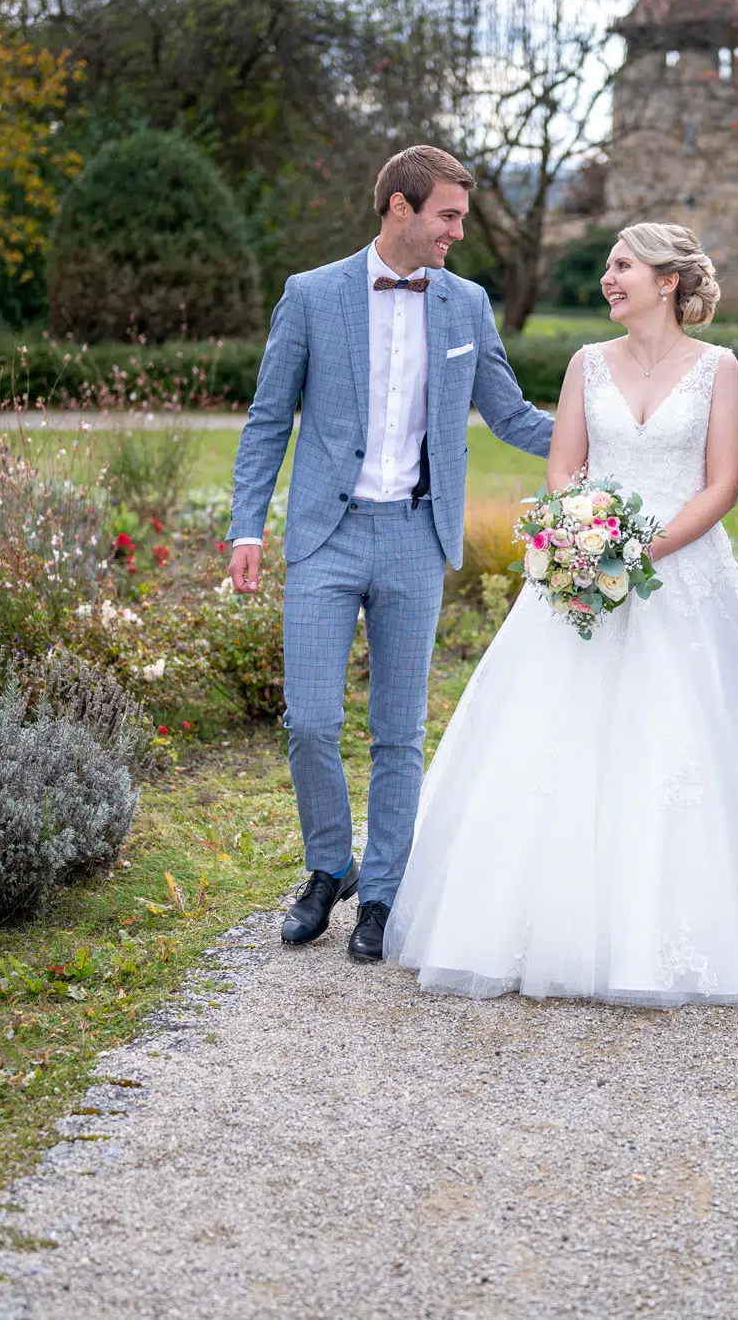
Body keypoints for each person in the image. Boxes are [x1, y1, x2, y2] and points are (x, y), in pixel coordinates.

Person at [382, 224, 738, 1006]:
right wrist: (585, 542)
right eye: (610, 267)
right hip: (587, 568)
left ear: (668, 280)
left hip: (683, 572)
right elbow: (563, 467)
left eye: (623, 267)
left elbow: (722, 484)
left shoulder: (719, 369)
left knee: (686, 742)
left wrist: (646, 550)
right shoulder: (587, 365)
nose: (608, 280)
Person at [225, 145, 556, 964]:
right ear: (399, 209)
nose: (458, 231)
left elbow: (511, 415)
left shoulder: (467, 304)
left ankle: (382, 894)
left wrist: (616, 434)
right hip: (325, 536)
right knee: (309, 720)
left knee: (399, 732)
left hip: (417, 536)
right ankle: (327, 864)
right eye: (447, 215)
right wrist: (246, 528)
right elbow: (268, 420)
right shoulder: (310, 296)